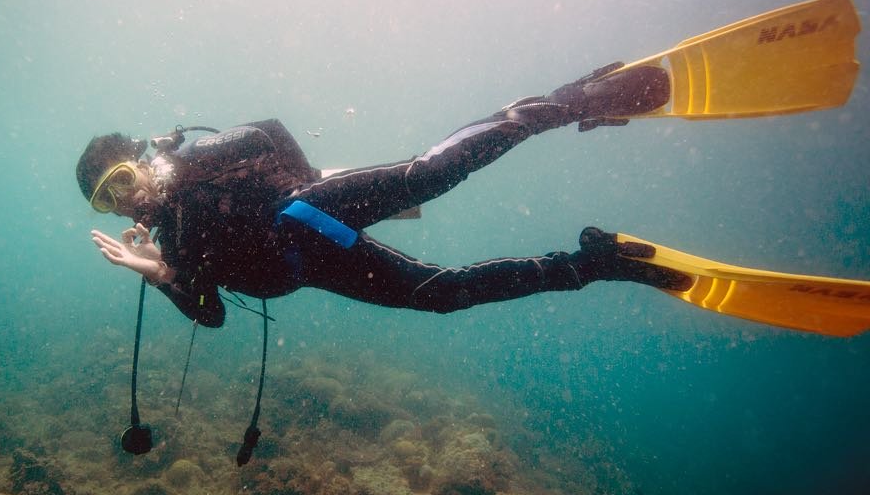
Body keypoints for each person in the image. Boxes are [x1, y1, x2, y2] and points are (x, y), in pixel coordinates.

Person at [77, 63, 692, 329]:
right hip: (315, 263)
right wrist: (158, 274)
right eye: (110, 201)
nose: (127, 202)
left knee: (427, 177)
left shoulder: (193, 164)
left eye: (124, 180)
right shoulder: (174, 244)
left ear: (142, 159)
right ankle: (593, 263)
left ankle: (571, 101)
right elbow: (211, 316)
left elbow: (270, 133)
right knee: (443, 296)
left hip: (307, 206)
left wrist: (307, 185)